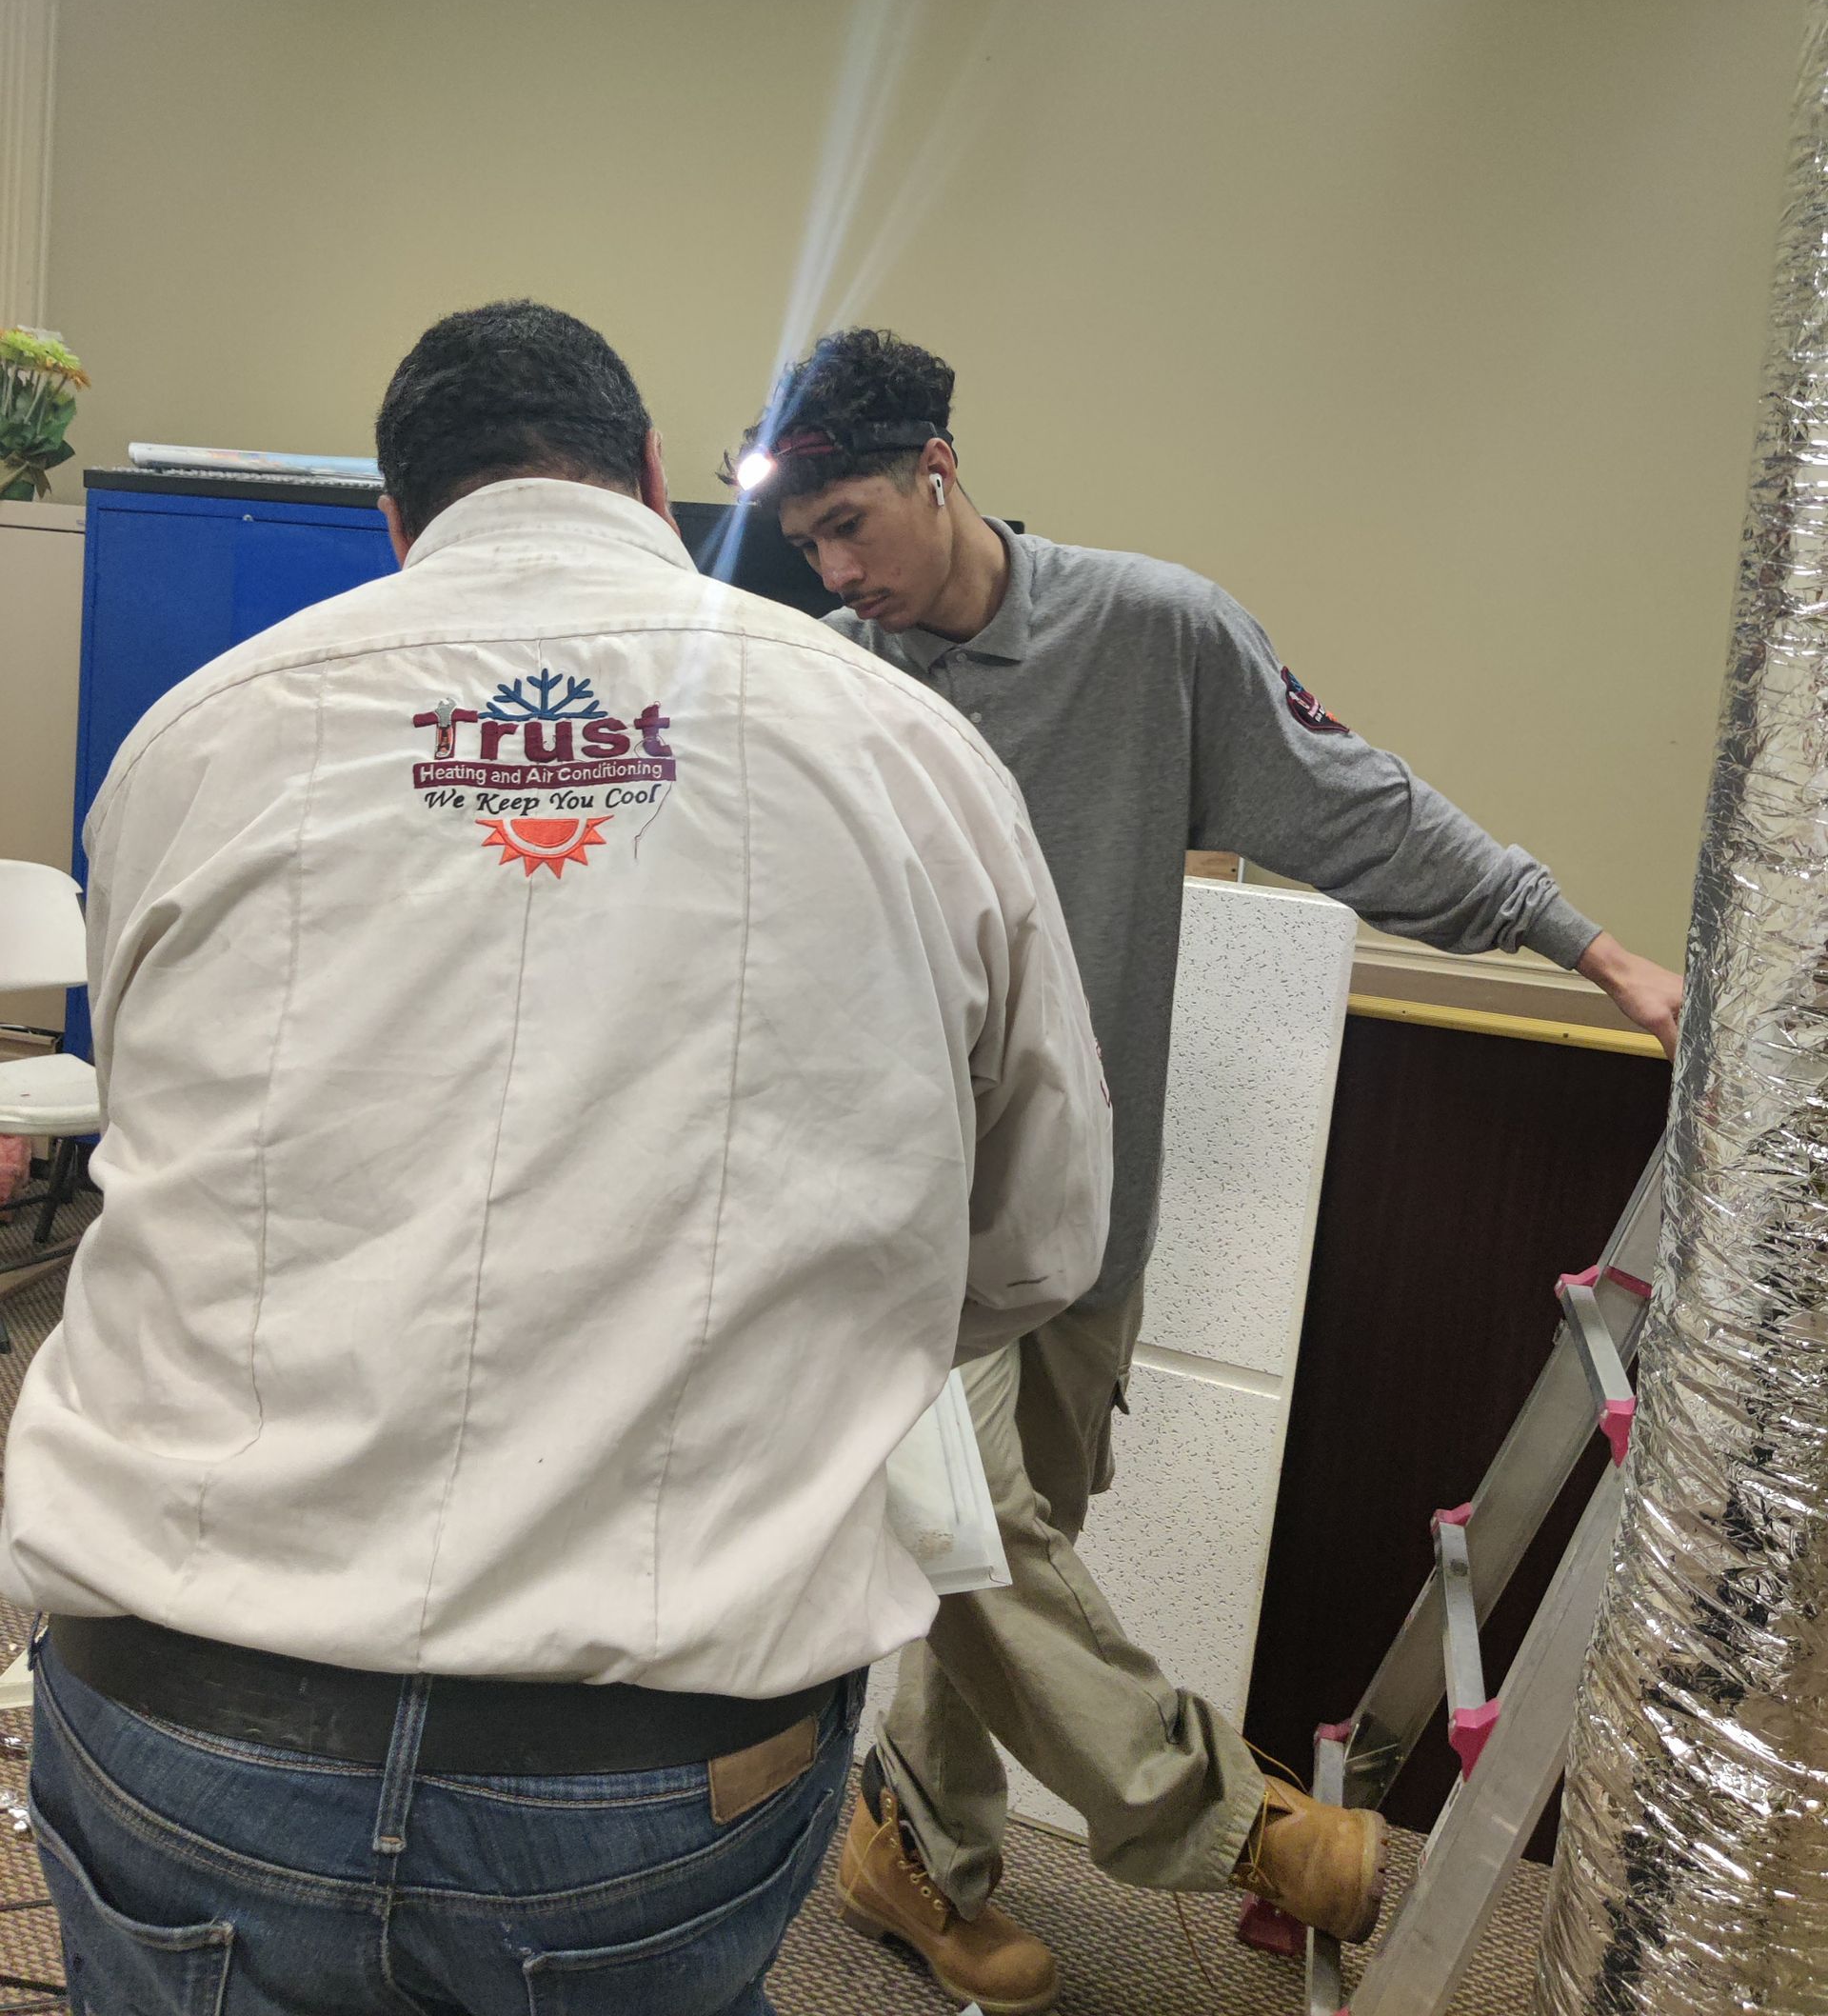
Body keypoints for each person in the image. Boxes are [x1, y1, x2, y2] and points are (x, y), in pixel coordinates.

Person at [0, 301, 1113, 2016]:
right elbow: (1043, 1241)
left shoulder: (201, 734)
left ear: (398, 518)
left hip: (182, 1702)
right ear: (660, 481)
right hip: (654, 1765)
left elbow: (158, 1141)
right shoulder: (909, 754)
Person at [727, 327, 1685, 2016]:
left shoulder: (1150, 633)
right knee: (975, 1538)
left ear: (941, 470)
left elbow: (1359, 808)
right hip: (883, 1213)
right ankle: (1230, 1823)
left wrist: (1591, 954)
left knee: (1010, 1554)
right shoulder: (834, 675)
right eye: (806, 546)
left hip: (1085, 1206)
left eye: (854, 526)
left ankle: (912, 1856)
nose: (835, 572)